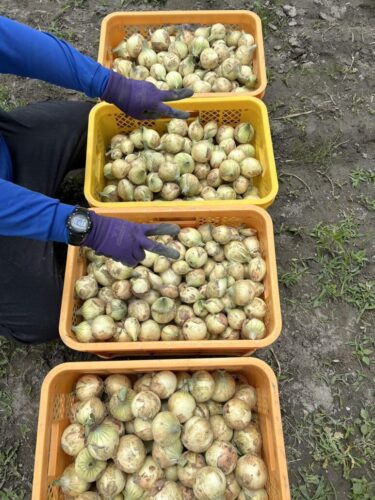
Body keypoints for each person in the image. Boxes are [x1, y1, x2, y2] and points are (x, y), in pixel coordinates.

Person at [0, 16, 193, 344]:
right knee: (43, 317)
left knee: (91, 126)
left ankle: (40, 206)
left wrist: (110, 84)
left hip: (8, 151)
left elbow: (13, 44)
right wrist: (86, 227)